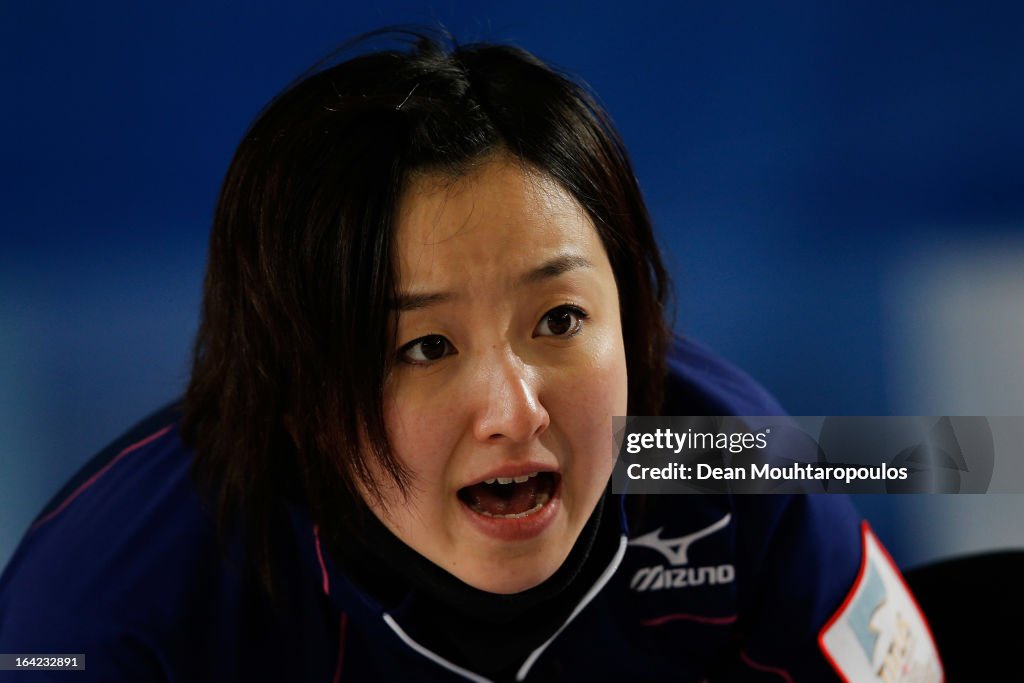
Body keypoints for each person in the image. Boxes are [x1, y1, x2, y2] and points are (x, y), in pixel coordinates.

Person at [0, 31, 942, 682]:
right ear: (293, 389)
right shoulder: (98, 603)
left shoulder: (747, 469)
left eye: (561, 321)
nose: (514, 409)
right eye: (425, 345)